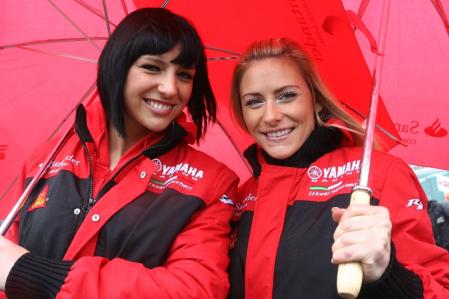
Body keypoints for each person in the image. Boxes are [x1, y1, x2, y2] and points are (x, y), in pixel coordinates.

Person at [0, 8, 239, 299]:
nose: (169, 88)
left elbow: (194, 289)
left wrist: (38, 275)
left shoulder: (211, 183)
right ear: (117, 66)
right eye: (152, 67)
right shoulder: (46, 158)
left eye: (184, 75)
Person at [228, 38, 449, 298]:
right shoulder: (240, 197)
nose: (271, 115)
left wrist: (386, 274)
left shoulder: (380, 174)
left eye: (287, 96)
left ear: (316, 101)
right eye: (254, 101)